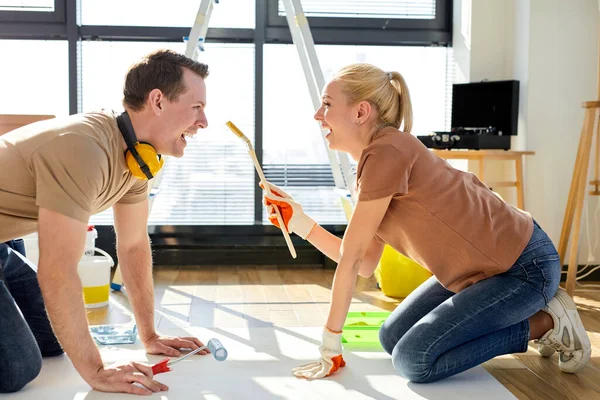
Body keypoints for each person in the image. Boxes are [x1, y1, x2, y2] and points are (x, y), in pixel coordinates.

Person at [262, 63, 591, 382]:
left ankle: (546, 323)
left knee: (413, 359)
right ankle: (528, 316)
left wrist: (330, 345)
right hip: (482, 271)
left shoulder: (387, 152)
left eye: (327, 104)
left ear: (361, 112)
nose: (318, 114)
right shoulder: (369, 164)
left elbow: (351, 259)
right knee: (391, 338)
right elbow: (364, 263)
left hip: (523, 268)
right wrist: (300, 223)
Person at [0, 49, 210, 395]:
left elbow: (132, 245)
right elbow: (56, 271)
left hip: (5, 242)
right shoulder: (84, 149)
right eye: (197, 108)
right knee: (18, 367)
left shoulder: (139, 158)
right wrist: (97, 372)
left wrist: (150, 335)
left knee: (55, 340)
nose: (203, 122)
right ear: (157, 101)